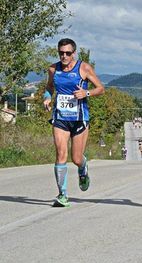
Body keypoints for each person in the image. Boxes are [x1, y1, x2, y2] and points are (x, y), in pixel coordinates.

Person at [43, 38, 105, 207]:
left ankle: (83, 168)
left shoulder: (83, 68)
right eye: (61, 53)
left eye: (67, 53)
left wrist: (86, 93)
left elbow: (100, 88)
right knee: (60, 154)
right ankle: (62, 195)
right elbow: (49, 87)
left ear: (74, 53)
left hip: (79, 118)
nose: (64, 56)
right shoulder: (53, 69)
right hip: (60, 118)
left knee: (76, 158)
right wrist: (47, 98)